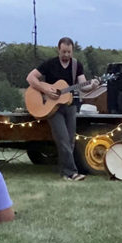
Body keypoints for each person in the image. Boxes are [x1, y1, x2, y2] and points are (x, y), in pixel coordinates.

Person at [26, 37, 100, 181]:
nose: (66, 55)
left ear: (72, 51)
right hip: (52, 108)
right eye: (64, 52)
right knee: (63, 139)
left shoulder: (76, 65)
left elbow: (83, 86)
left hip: (70, 106)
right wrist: (45, 90)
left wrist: (92, 85)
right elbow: (30, 78)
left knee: (70, 141)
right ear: (58, 50)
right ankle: (72, 172)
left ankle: (65, 172)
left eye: (69, 52)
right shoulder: (50, 64)